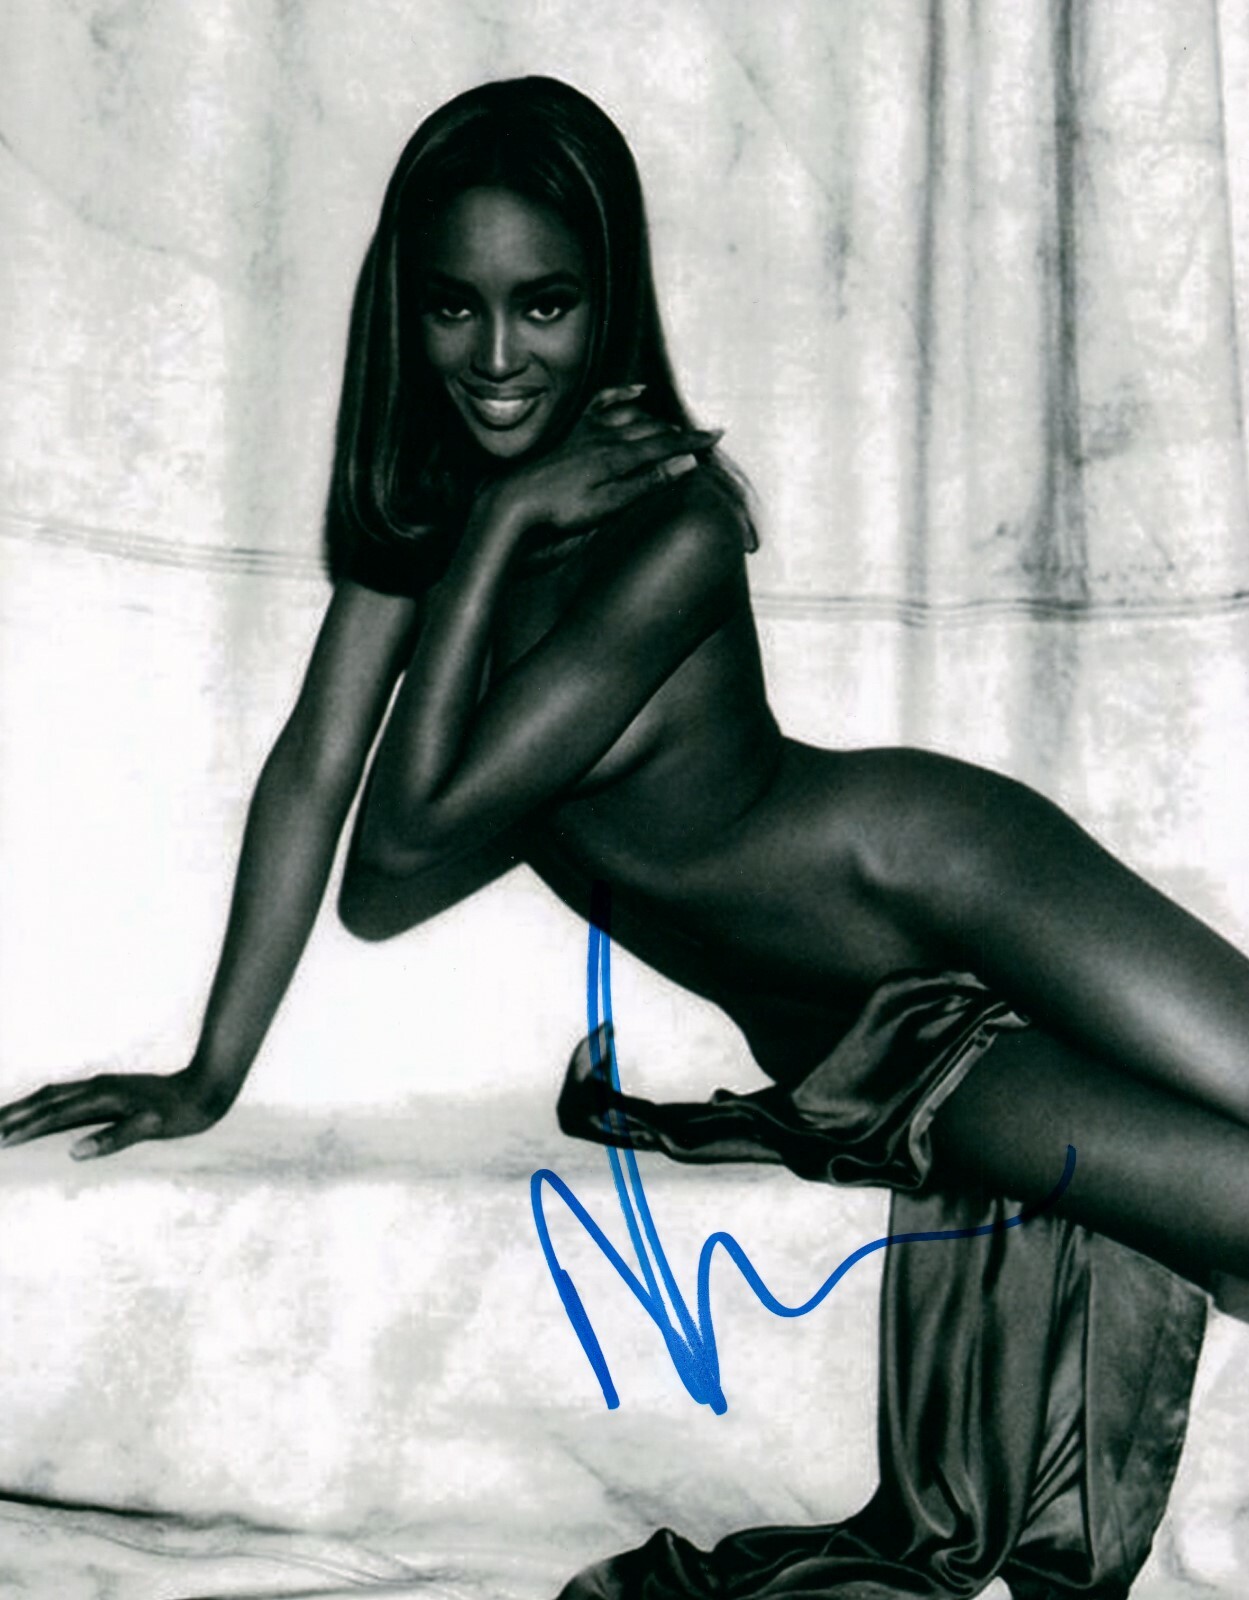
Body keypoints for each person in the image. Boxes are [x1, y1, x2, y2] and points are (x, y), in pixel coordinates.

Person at [0, 74, 1233, 1595]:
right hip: (860, 1050)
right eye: (453, 308)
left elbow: (402, 844)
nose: (496, 356)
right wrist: (208, 1075)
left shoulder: (676, 528)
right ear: (404, 310)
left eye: (545, 304)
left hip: (949, 873)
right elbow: (319, 775)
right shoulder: (430, 521)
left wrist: (500, 530)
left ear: (609, 303)